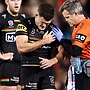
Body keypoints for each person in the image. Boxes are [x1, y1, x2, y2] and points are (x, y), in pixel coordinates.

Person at [16, 3, 64, 90]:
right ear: (36, 14)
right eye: (42, 22)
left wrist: (54, 60)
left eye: (47, 23)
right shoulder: (24, 24)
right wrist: (43, 41)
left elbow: (63, 51)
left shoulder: (54, 29)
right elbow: (21, 48)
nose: (44, 26)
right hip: (29, 69)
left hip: (47, 70)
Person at [58, 0, 90, 90]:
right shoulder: (79, 26)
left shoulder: (85, 27)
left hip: (85, 74)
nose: (66, 20)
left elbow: (75, 51)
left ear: (75, 14)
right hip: (80, 69)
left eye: (67, 17)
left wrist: (62, 39)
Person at [0, 0, 28, 90]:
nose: (16, 3)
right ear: (7, 1)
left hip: (24, 66)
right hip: (8, 66)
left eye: (18, 0)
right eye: (13, 0)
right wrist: (1, 56)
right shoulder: (1, 19)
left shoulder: (25, 19)